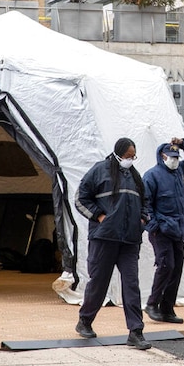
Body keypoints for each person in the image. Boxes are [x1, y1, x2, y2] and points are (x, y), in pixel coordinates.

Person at [74, 137, 152, 350]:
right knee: (99, 282)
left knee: (131, 285)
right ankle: (85, 320)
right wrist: (99, 216)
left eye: (133, 156)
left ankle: (135, 331)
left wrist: (143, 219)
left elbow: (146, 202)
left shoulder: (136, 178)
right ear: (118, 153)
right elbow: (81, 198)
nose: (130, 159)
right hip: (104, 238)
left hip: (129, 240)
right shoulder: (100, 171)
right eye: (127, 156)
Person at [142, 137, 184, 324]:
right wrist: (154, 227)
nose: (174, 160)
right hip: (161, 231)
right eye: (171, 156)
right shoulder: (152, 176)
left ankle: (167, 308)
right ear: (162, 156)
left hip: (179, 230)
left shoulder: (183, 171)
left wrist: (183, 143)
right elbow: (145, 205)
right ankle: (152, 304)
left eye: (177, 156)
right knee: (166, 265)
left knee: (176, 269)